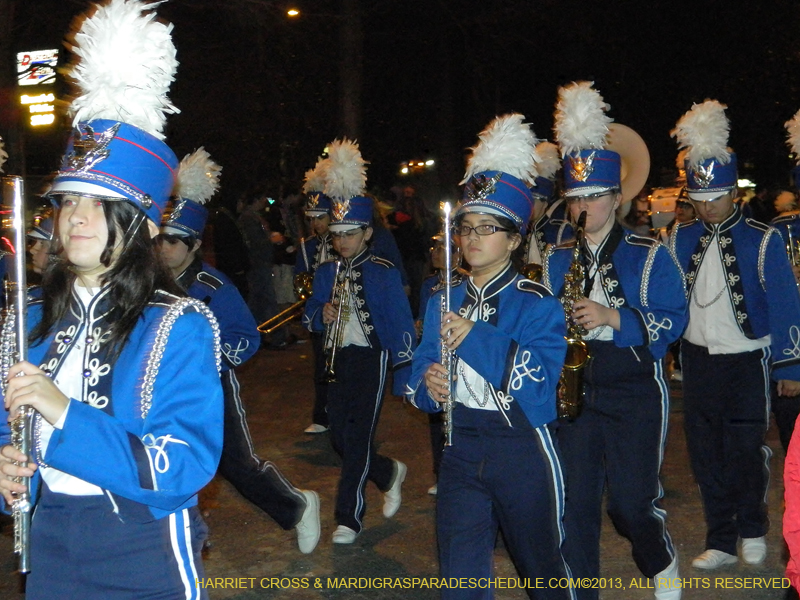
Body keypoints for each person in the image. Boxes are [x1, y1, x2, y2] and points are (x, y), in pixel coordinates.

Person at [0, 2, 223, 598]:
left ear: (146, 224)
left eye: (99, 203)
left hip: (142, 547)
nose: (76, 217)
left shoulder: (180, 324)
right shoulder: (27, 316)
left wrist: (62, 410)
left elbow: (182, 466)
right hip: (48, 537)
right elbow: (6, 419)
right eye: (69, 200)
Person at [407, 114, 574, 599]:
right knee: (459, 578)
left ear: (515, 239)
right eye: (465, 228)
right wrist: (426, 387)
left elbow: (543, 387)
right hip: (459, 449)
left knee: (542, 570)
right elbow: (419, 363)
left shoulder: (536, 301)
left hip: (522, 448)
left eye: (488, 228)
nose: (472, 238)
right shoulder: (441, 294)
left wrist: (477, 336)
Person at [545, 82, 686, 600]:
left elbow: (674, 319)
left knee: (630, 503)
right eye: (575, 197)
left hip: (633, 388)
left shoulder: (650, 252)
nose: (582, 207)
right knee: (575, 503)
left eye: (593, 197)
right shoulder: (558, 255)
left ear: (615, 197)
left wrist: (612, 315)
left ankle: (660, 559)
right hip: (576, 391)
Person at [159, 148, 320, 554]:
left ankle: (297, 505)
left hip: (212, 386)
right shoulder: (148, 283)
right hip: (161, 389)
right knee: (168, 458)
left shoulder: (214, 287)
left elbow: (246, 337)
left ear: (194, 246)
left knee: (236, 464)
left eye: (174, 242)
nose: (164, 248)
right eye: (161, 239)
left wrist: (207, 362)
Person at [670, 100, 800, 571]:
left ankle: (752, 527)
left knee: (746, 450)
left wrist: (790, 366)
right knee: (705, 454)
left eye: (716, 199)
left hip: (749, 359)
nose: (706, 207)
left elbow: (786, 303)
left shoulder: (763, 239)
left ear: (734, 196)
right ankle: (720, 537)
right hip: (698, 361)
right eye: (699, 199)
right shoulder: (678, 239)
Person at [303, 138, 415, 544]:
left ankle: (348, 517)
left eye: (351, 234)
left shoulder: (383, 272)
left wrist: (405, 372)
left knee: (360, 436)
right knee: (339, 437)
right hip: (338, 359)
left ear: (367, 232)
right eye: (337, 235)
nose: (343, 242)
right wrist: (321, 315)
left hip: (372, 358)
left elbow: (402, 325)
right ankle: (387, 472)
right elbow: (308, 314)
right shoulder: (325, 272)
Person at [415, 232, 463, 496]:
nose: (436, 252)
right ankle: (439, 470)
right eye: (434, 247)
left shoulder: (463, 282)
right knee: (435, 419)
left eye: (443, 248)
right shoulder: (429, 285)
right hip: (434, 351)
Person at [296, 157, 335, 434]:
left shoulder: (343, 242)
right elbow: (302, 276)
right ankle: (321, 415)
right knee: (320, 365)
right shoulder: (308, 245)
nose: (316, 224)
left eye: (320, 218)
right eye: (311, 219)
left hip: (341, 310)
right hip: (318, 310)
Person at [238, 186, 286, 349]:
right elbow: (255, 243)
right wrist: (270, 240)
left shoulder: (254, 217)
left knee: (258, 303)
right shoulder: (249, 219)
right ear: (257, 200)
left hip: (260, 264)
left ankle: (255, 335)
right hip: (258, 265)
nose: (265, 202)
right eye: (263, 199)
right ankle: (277, 336)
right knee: (267, 301)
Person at [524, 141, 572, 272]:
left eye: (533, 200)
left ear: (545, 201)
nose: (528, 207)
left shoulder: (560, 226)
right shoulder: (531, 224)